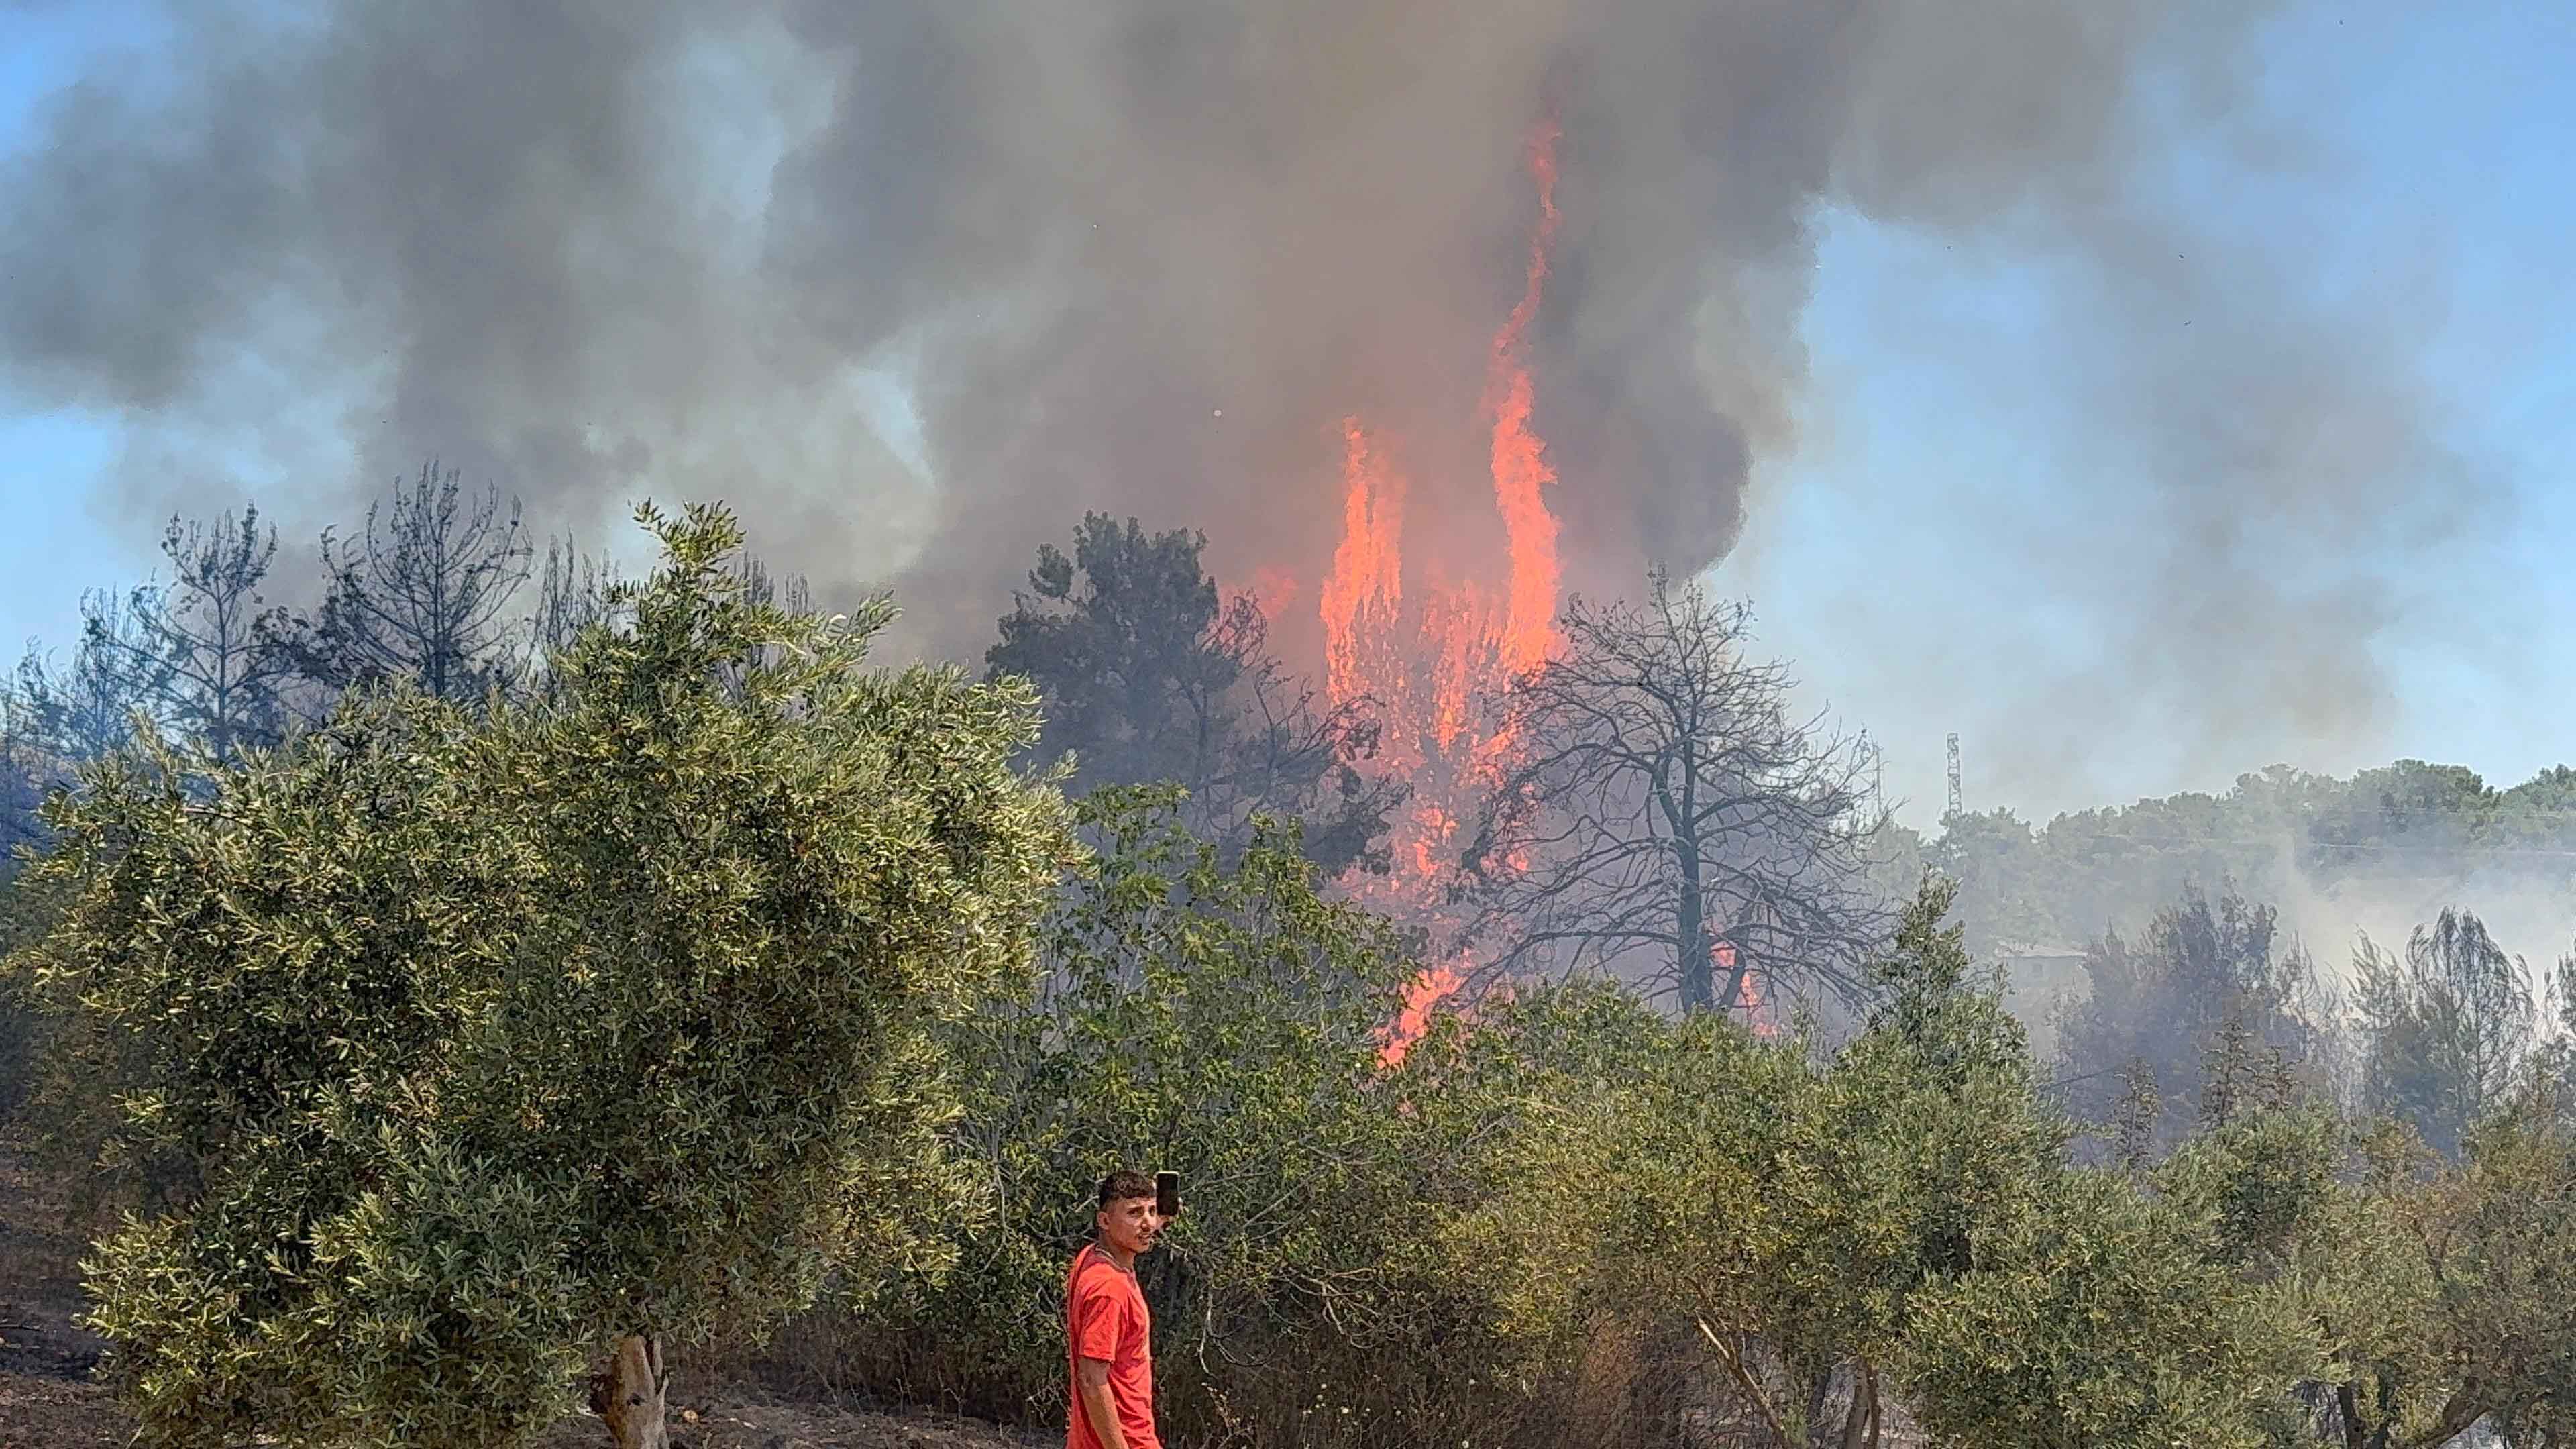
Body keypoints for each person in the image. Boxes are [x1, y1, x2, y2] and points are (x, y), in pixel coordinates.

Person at [1067, 1169, 1163, 1449]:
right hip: (1128, 1440)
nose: (1148, 1223)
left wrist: (1149, 1220)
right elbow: (1091, 1378)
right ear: (1104, 1220)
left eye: (1152, 1211)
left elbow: (1135, 1232)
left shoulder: (1091, 1258)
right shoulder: (1110, 1290)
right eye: (1134, 1213)